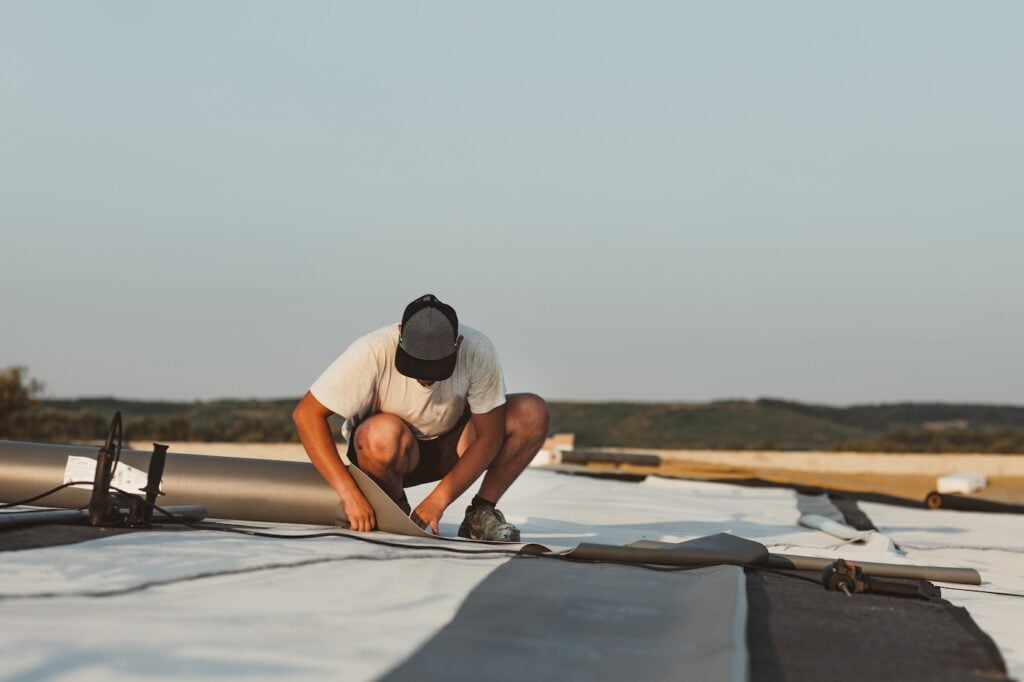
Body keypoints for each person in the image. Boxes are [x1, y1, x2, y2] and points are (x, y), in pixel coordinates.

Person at [293, 294, 549, 541]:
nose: (425, 378)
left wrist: (438, 500)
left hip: (454, 447)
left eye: (435, 369)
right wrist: (348, 493)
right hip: (387, 450)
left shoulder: (477, 350)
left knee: (531, 412)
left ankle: (480, 513)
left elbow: (489, 437)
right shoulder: (372, 350)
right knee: (381, 435)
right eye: (416, 367)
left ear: (457, 344)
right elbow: (306, 415)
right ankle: (394, 508)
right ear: (400, 334)